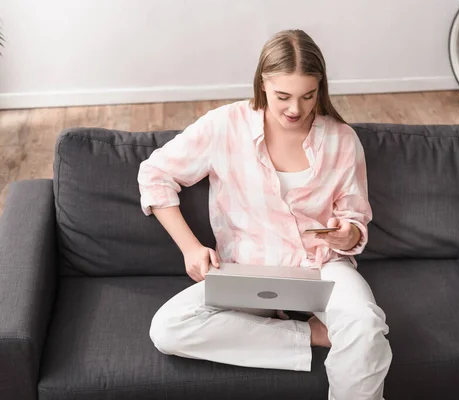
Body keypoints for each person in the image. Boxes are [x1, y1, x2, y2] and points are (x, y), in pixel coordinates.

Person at [137, 29, 392, 400]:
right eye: (282, 96)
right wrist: (191, 248)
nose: (295, 109)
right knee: (169, 328)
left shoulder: (341, 139)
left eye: (308, 96)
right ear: (262, 84)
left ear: (320, 88)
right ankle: (312, 335)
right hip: (247, 270)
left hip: (323, 267)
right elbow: (155, 174)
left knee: (366, 326)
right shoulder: (224, 125)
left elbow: (354, 218)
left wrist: (346, 234)